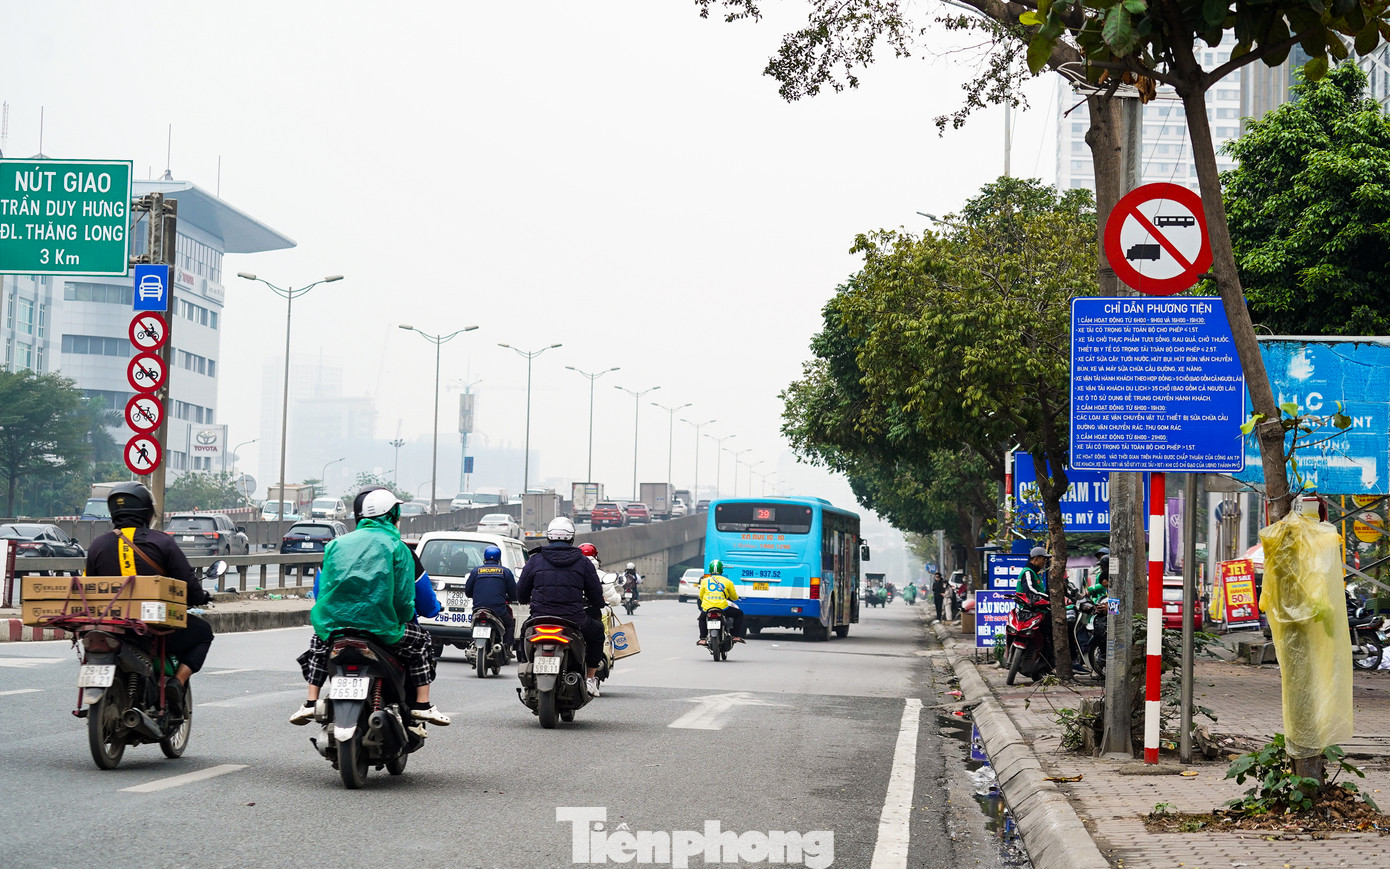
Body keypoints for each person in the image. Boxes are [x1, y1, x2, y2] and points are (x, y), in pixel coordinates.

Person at [291, 488, 450, 729]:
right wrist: (415, 613)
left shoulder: (335, 545)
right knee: (422, 642)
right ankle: (422, 706)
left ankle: (311, 702)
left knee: (318, 645)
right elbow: (407, 600)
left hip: (336, 627)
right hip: (383, 629)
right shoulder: (400, 549)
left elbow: (321, 593)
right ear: (392, 514)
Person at [85, 482, 214, 704]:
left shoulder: (98, 545)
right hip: (152, 629)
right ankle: (177, 682)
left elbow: (87, 585)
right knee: (204, 632)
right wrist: (200, 597)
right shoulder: (162, 542)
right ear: (146, 510)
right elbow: (189, 585)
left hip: (109, 627)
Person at [517, 516, 607, 697]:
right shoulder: (583, 561)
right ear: (572, 537)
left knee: (523, 634)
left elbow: (521, 592)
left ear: (549, 537)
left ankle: (525, 669)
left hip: (539, 618)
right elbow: (595, 592)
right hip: (574, 620)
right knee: (597, 633)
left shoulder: (535, 560)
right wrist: (598, 604)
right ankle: (590, 678)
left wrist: (526, 599)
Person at [463, 545, 517, 659]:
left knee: (473, 624)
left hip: (478, 609)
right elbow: (514, 593)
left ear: (485, 558)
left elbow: (468, 592)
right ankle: (506, 647)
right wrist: (513, 598)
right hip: (498, 610)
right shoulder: (505, 572)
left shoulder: (476, 571)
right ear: (498, 558)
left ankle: (472, 644)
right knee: (509, 624)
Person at [696, 560, 745, 645]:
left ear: (710, 570)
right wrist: (736, 598)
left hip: (708, 608)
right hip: (722, 608)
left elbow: (701, 595)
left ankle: (703, 639)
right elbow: (733, 597)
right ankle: (735, 636)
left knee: (702, 619)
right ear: (722, 570)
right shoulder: (728, 582)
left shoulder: (704, 581)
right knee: (739, 614)